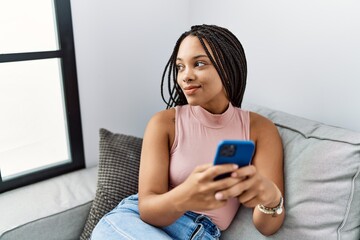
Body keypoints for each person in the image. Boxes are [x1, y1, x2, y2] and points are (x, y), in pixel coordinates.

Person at [91, 24, 285, 240]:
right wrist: (187, 195)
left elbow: (267, 227)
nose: (186, 76)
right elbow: (147, 210)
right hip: (131, 224)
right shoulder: (164, 123)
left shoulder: (260, 129)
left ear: (228, 69)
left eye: (199, 64)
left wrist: (272, 199)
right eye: (180, 67)